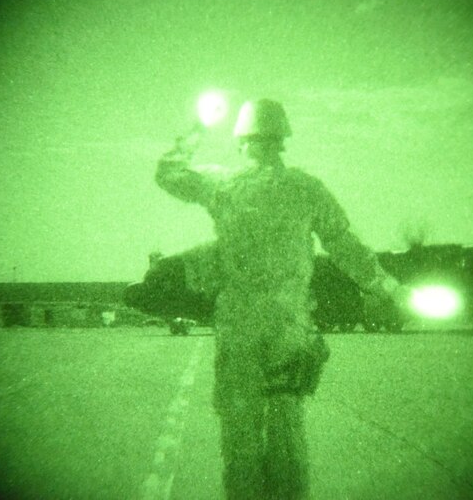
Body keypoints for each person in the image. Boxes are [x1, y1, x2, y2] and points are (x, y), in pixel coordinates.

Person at [155, 98, 406, 500]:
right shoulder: (307, 189)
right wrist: (389, 287)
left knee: (241, 442)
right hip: (289, 331)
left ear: (242, 140)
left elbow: (168, 174)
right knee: (288, 435)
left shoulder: (222, 183)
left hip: (239, 333)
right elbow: (345, 246)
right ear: (282, 139)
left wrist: (198, 127)